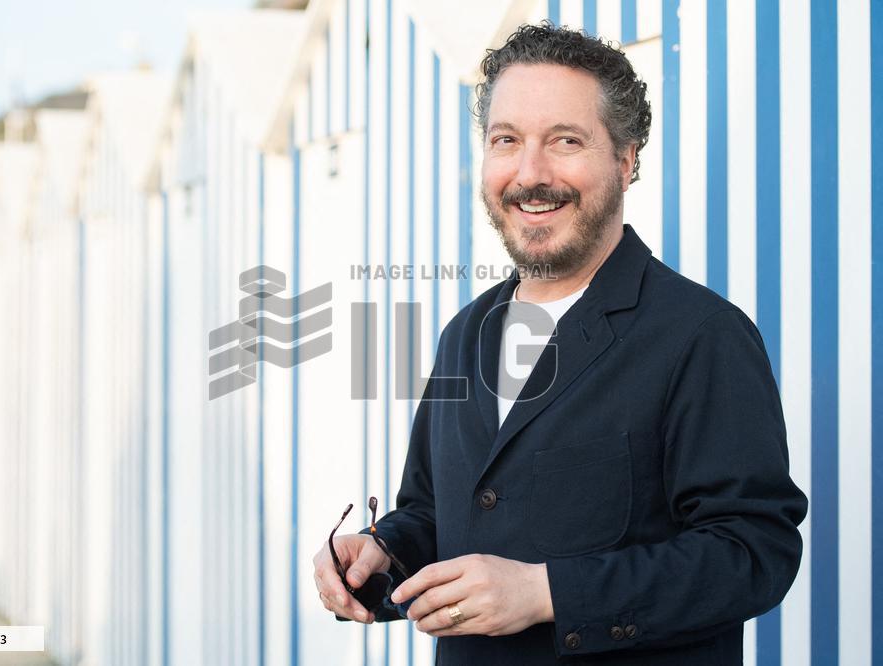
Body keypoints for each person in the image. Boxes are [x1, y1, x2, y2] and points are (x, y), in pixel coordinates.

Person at [312, 22, 807, 665]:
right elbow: (437, 509)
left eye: (565, 141)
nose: (530, 173)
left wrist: (547, 592)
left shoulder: (701, 335)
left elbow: (752, 552)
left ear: (626, 160)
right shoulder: (466, 334)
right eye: (506, 140)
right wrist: (383, 551)